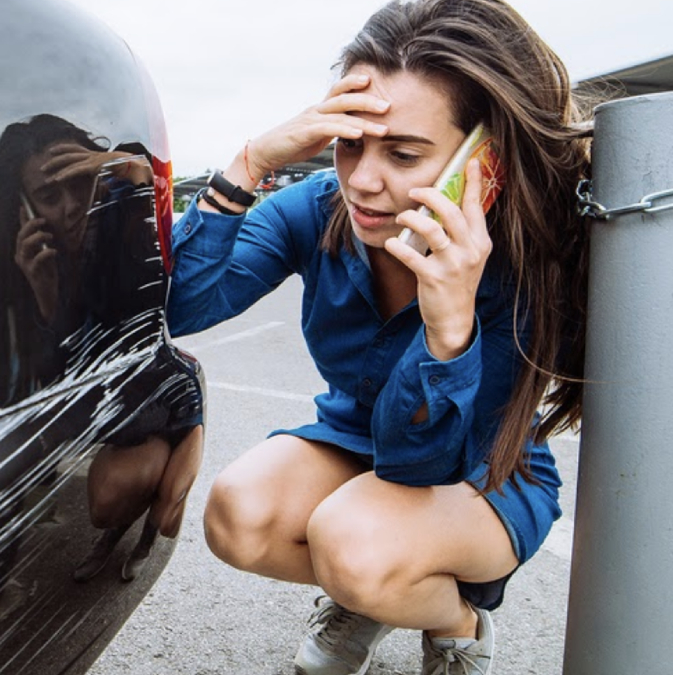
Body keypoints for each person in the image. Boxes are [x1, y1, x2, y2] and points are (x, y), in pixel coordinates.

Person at [165, 0, 590, 672]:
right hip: (358, 444)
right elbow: (182, 303)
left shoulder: (532, 249)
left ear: (486, 163)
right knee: (236, 514)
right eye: (349, 142)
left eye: (403, 153)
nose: (363, 180)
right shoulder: (317, 208)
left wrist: (448, 326)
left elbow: (420, 461)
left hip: (485, 472)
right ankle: (379, 590)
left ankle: (457, 622)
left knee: (353, 542)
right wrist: (249, 163)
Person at [0, 114, 205, 583]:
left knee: (165, 516)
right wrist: (45, 295)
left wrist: (128, 169)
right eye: (49, 195)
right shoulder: (19, 263)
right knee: (108, 506)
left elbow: (137, 308)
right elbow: (55, 378)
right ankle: (108, 542)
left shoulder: (120, 234)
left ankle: (142, 543)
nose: (72, 207)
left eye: (82, 182)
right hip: (118, 405)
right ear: (22, 208)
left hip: (165, 397)